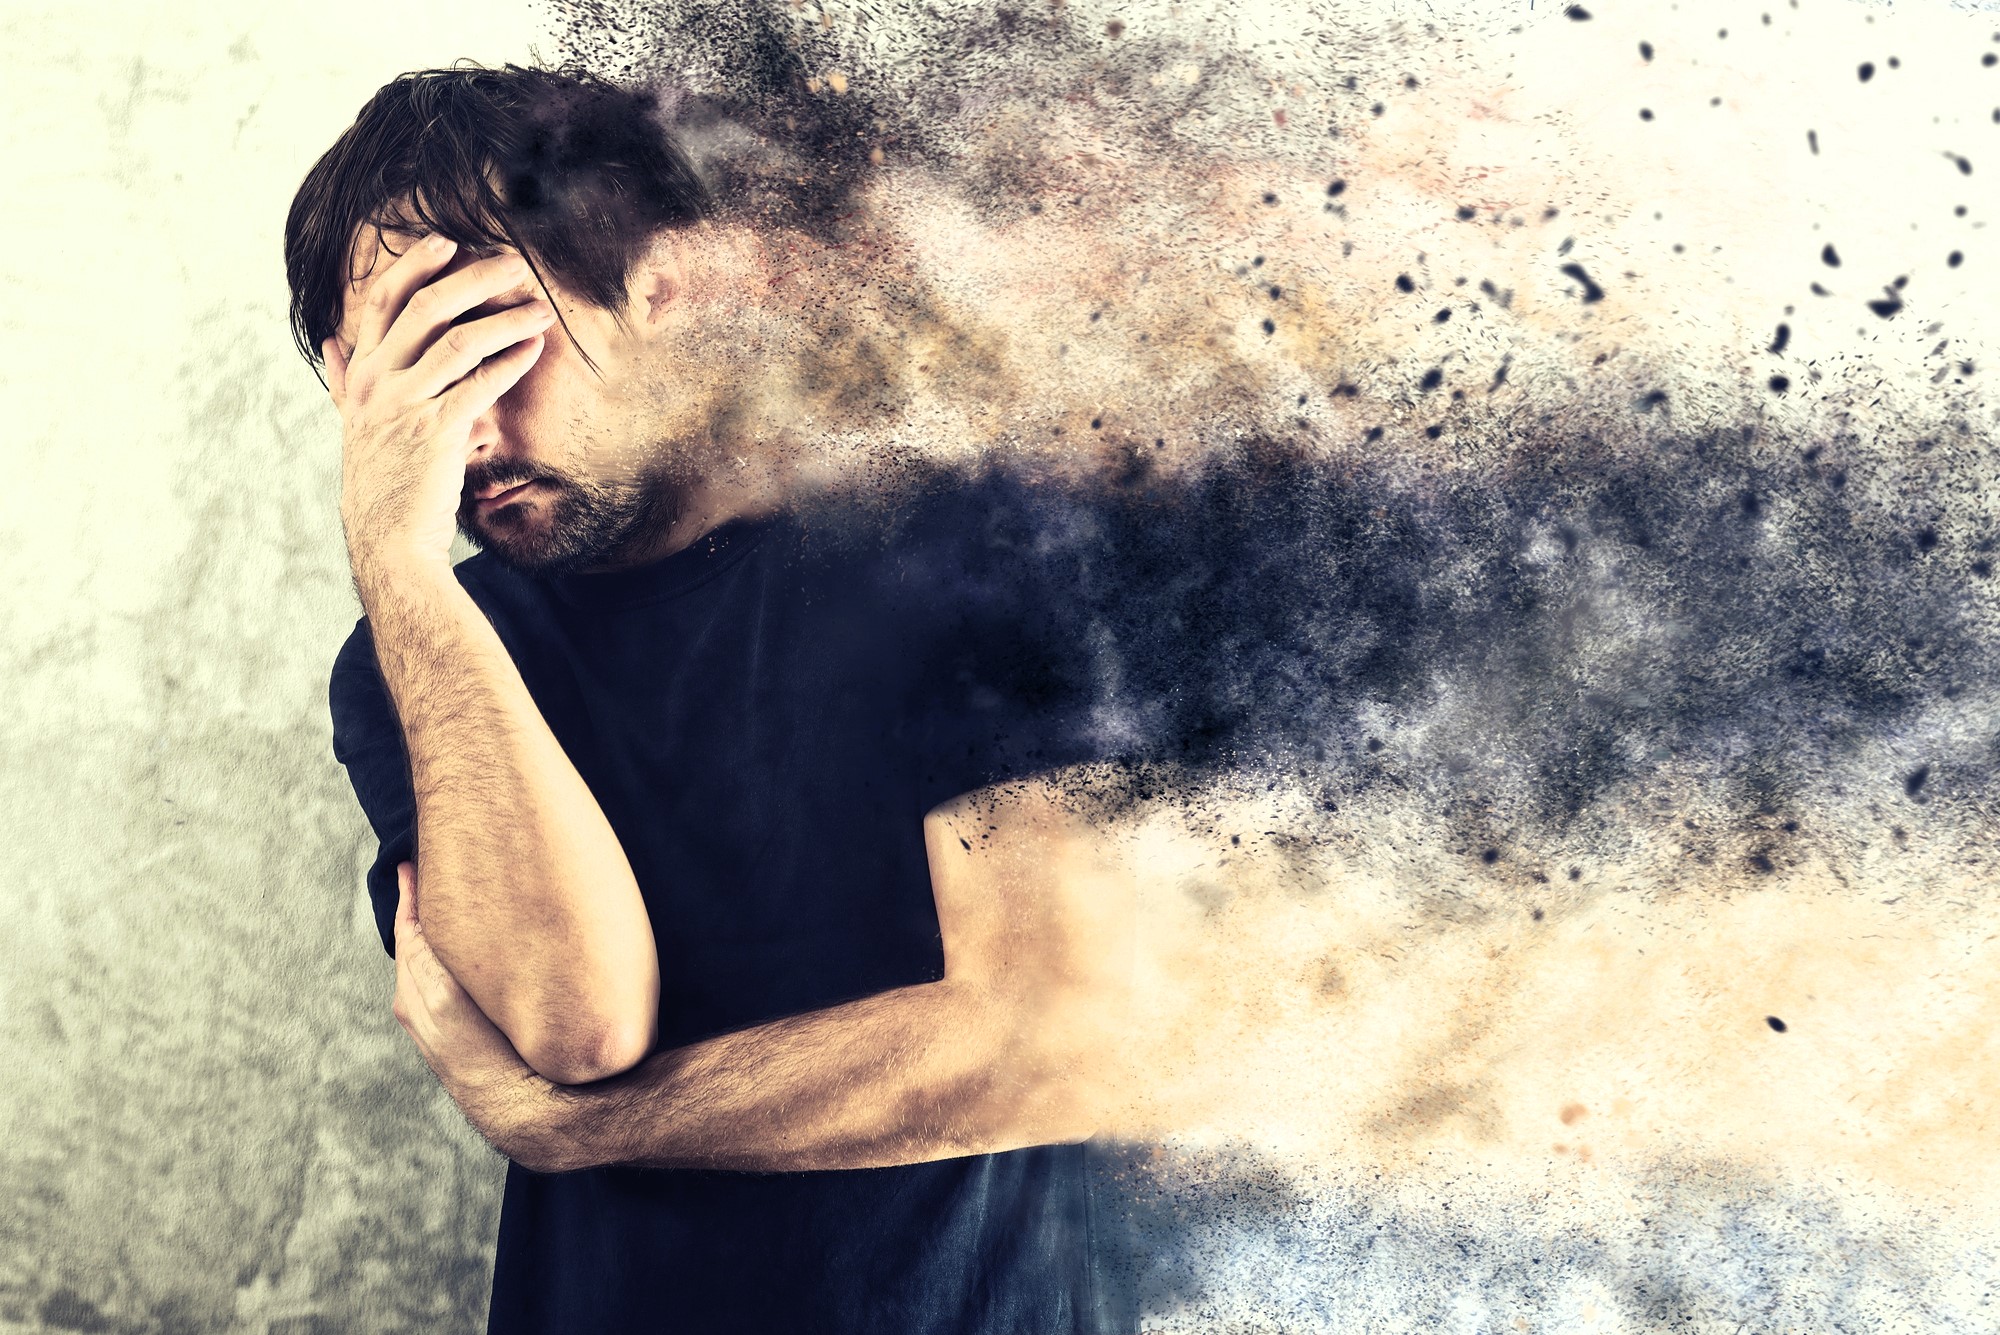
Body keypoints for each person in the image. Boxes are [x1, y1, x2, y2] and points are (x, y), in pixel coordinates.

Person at [287, 62, 1135, 1333]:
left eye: (478, 344)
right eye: (391, 385)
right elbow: (579, 1026)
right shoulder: (419, 652)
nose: (453, 435)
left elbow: (1051, 1033)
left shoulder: (967, 554)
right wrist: (400, 565)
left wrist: (582, 1133)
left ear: (667, 294)